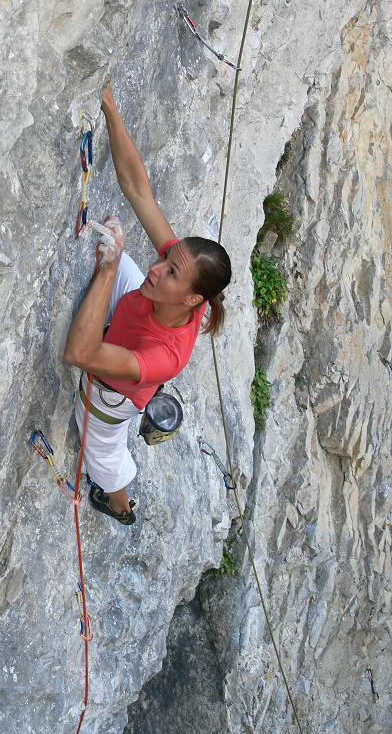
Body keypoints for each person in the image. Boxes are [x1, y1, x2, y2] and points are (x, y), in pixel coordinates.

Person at [64, 86, 231, 526]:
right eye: (166, 259)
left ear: (194, 299)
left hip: (114, 392)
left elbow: (81, 356)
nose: (159, 267)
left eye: (171, 271)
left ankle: (120, 506)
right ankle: (117, 281)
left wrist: (107, 270)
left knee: (102, 453)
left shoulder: (167, 357)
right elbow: (139, 190)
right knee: (134, 273)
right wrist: (110, 107)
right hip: (143, 314)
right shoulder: (181, 282)